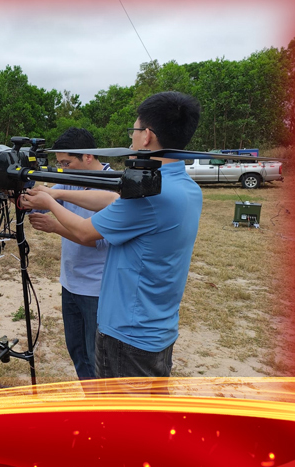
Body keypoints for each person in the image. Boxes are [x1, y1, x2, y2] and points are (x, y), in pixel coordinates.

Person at [21, 91, 202, 379]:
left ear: (147, 136)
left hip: (128, 334)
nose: (131, 140)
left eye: (134, 131)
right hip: (157, 327)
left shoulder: (149, 197)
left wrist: (50, 203)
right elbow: (110, 199)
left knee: (114, 405)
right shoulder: (184, 187)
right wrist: (56, 193)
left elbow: (85, 232)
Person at [28, 127, 111, 379]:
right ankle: (89, 399)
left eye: (67, 163)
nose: (63, 169)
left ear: (88, 156)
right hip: (71, 283)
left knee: (97, 356)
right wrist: (18, 195)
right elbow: (42, 202)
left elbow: (97, 241)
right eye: (60, 164)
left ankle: (101, 401)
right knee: (78, 352)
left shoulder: (113, 187)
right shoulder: (70, 180)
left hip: (97, 288)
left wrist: (55, 227)